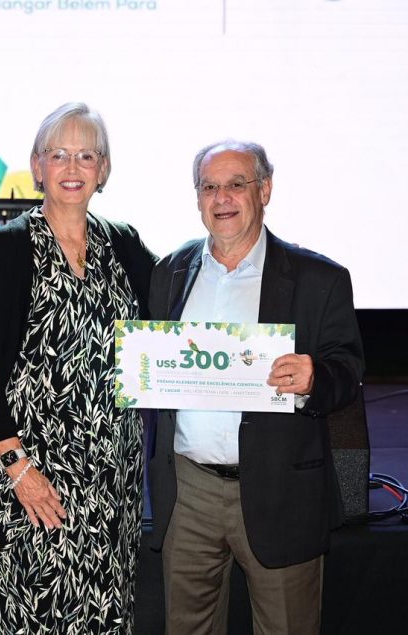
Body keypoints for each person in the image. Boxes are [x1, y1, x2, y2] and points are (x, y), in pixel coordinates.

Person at [147, 140, 364, 634]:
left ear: (264, 190)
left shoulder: (319, 278)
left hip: (280, 491)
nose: (221, 198)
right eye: (209, 187)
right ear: (197, 197)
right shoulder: (170, 271)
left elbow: (347, 372)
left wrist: (314, 378)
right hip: (189, 491)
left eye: (236, 184)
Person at [0, 102, 157, 634]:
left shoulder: (124, 242)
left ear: (103, 169)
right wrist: (18, 468)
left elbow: (174, 324)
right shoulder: (10, 247)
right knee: (31, 611)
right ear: (37, 165)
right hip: (32, 477)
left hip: (111, 483)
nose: (73, 167)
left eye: (86, 156)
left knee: (103, 615)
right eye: (59, 154)